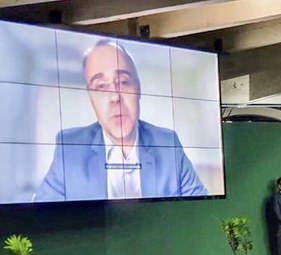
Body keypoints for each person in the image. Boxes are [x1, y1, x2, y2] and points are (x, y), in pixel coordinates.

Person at [35, 39, 207, 202]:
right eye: (101, 86)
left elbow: (200, 208)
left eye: (123, 82)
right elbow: (39, 215)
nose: (115, 97)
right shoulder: (70, 148)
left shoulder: (168, 143)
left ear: (138, 89)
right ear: (91, 98)